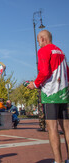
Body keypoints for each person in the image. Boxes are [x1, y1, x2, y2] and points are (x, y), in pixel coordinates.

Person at [27, 30, 69, 163]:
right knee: (67, 129)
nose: (39, 44)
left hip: (50, 94)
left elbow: (44, 71)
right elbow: (67, 71)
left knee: (52, 128)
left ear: (43, 39)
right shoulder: (60, 51)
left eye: (39, 41)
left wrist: (35, 84)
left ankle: (58, 160)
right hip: (63, 93)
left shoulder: (44, 50)